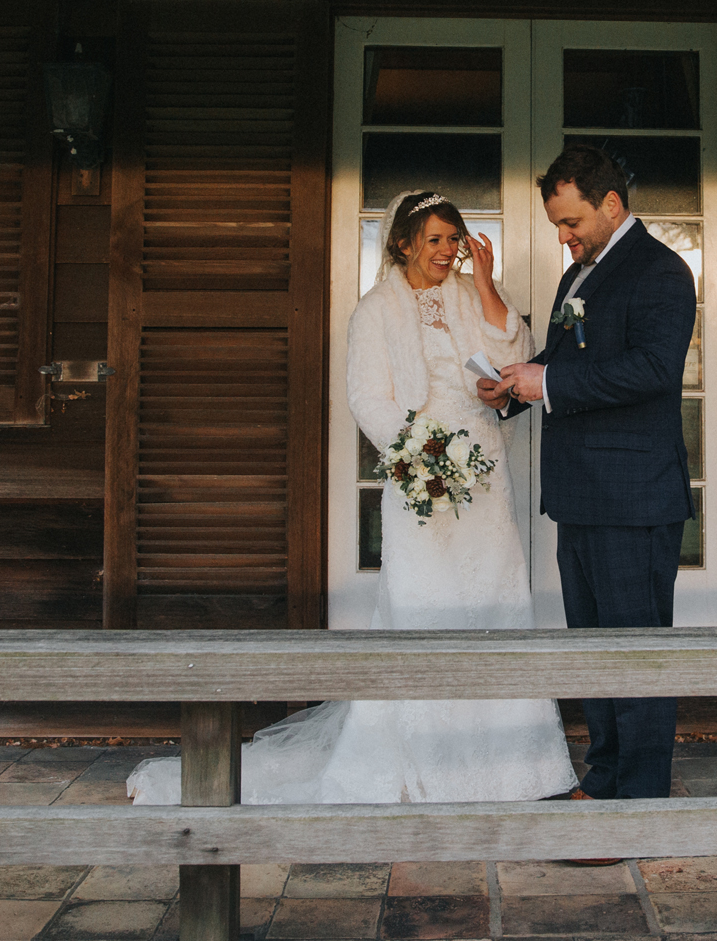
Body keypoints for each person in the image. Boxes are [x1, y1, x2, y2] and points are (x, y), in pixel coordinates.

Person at [126, 189, 575, 806]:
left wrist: (489, 282)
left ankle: (514, 768)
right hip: (423, 473)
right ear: (403, 244)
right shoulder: (374, 311)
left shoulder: (472, 295)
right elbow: (369, 400)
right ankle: (428, 766)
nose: (448, 252)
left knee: (495, 604)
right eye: (436, 240)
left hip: (484, 475)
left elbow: (515, 356)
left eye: (455, 239)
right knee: (425, 608)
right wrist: (420, 455)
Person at [477, 144, 698, 804]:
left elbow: (653, 370)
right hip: (581, 495)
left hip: (634, 498)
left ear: (610, 204)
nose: (563, 236)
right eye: (556, 226)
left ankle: (638, 799)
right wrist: (517, 386)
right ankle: (603, 779)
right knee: (594, 653)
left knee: (635, 658)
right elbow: (568, 358)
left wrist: (549, 379)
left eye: (571, 222)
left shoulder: (661, 271)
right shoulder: (581, 274)